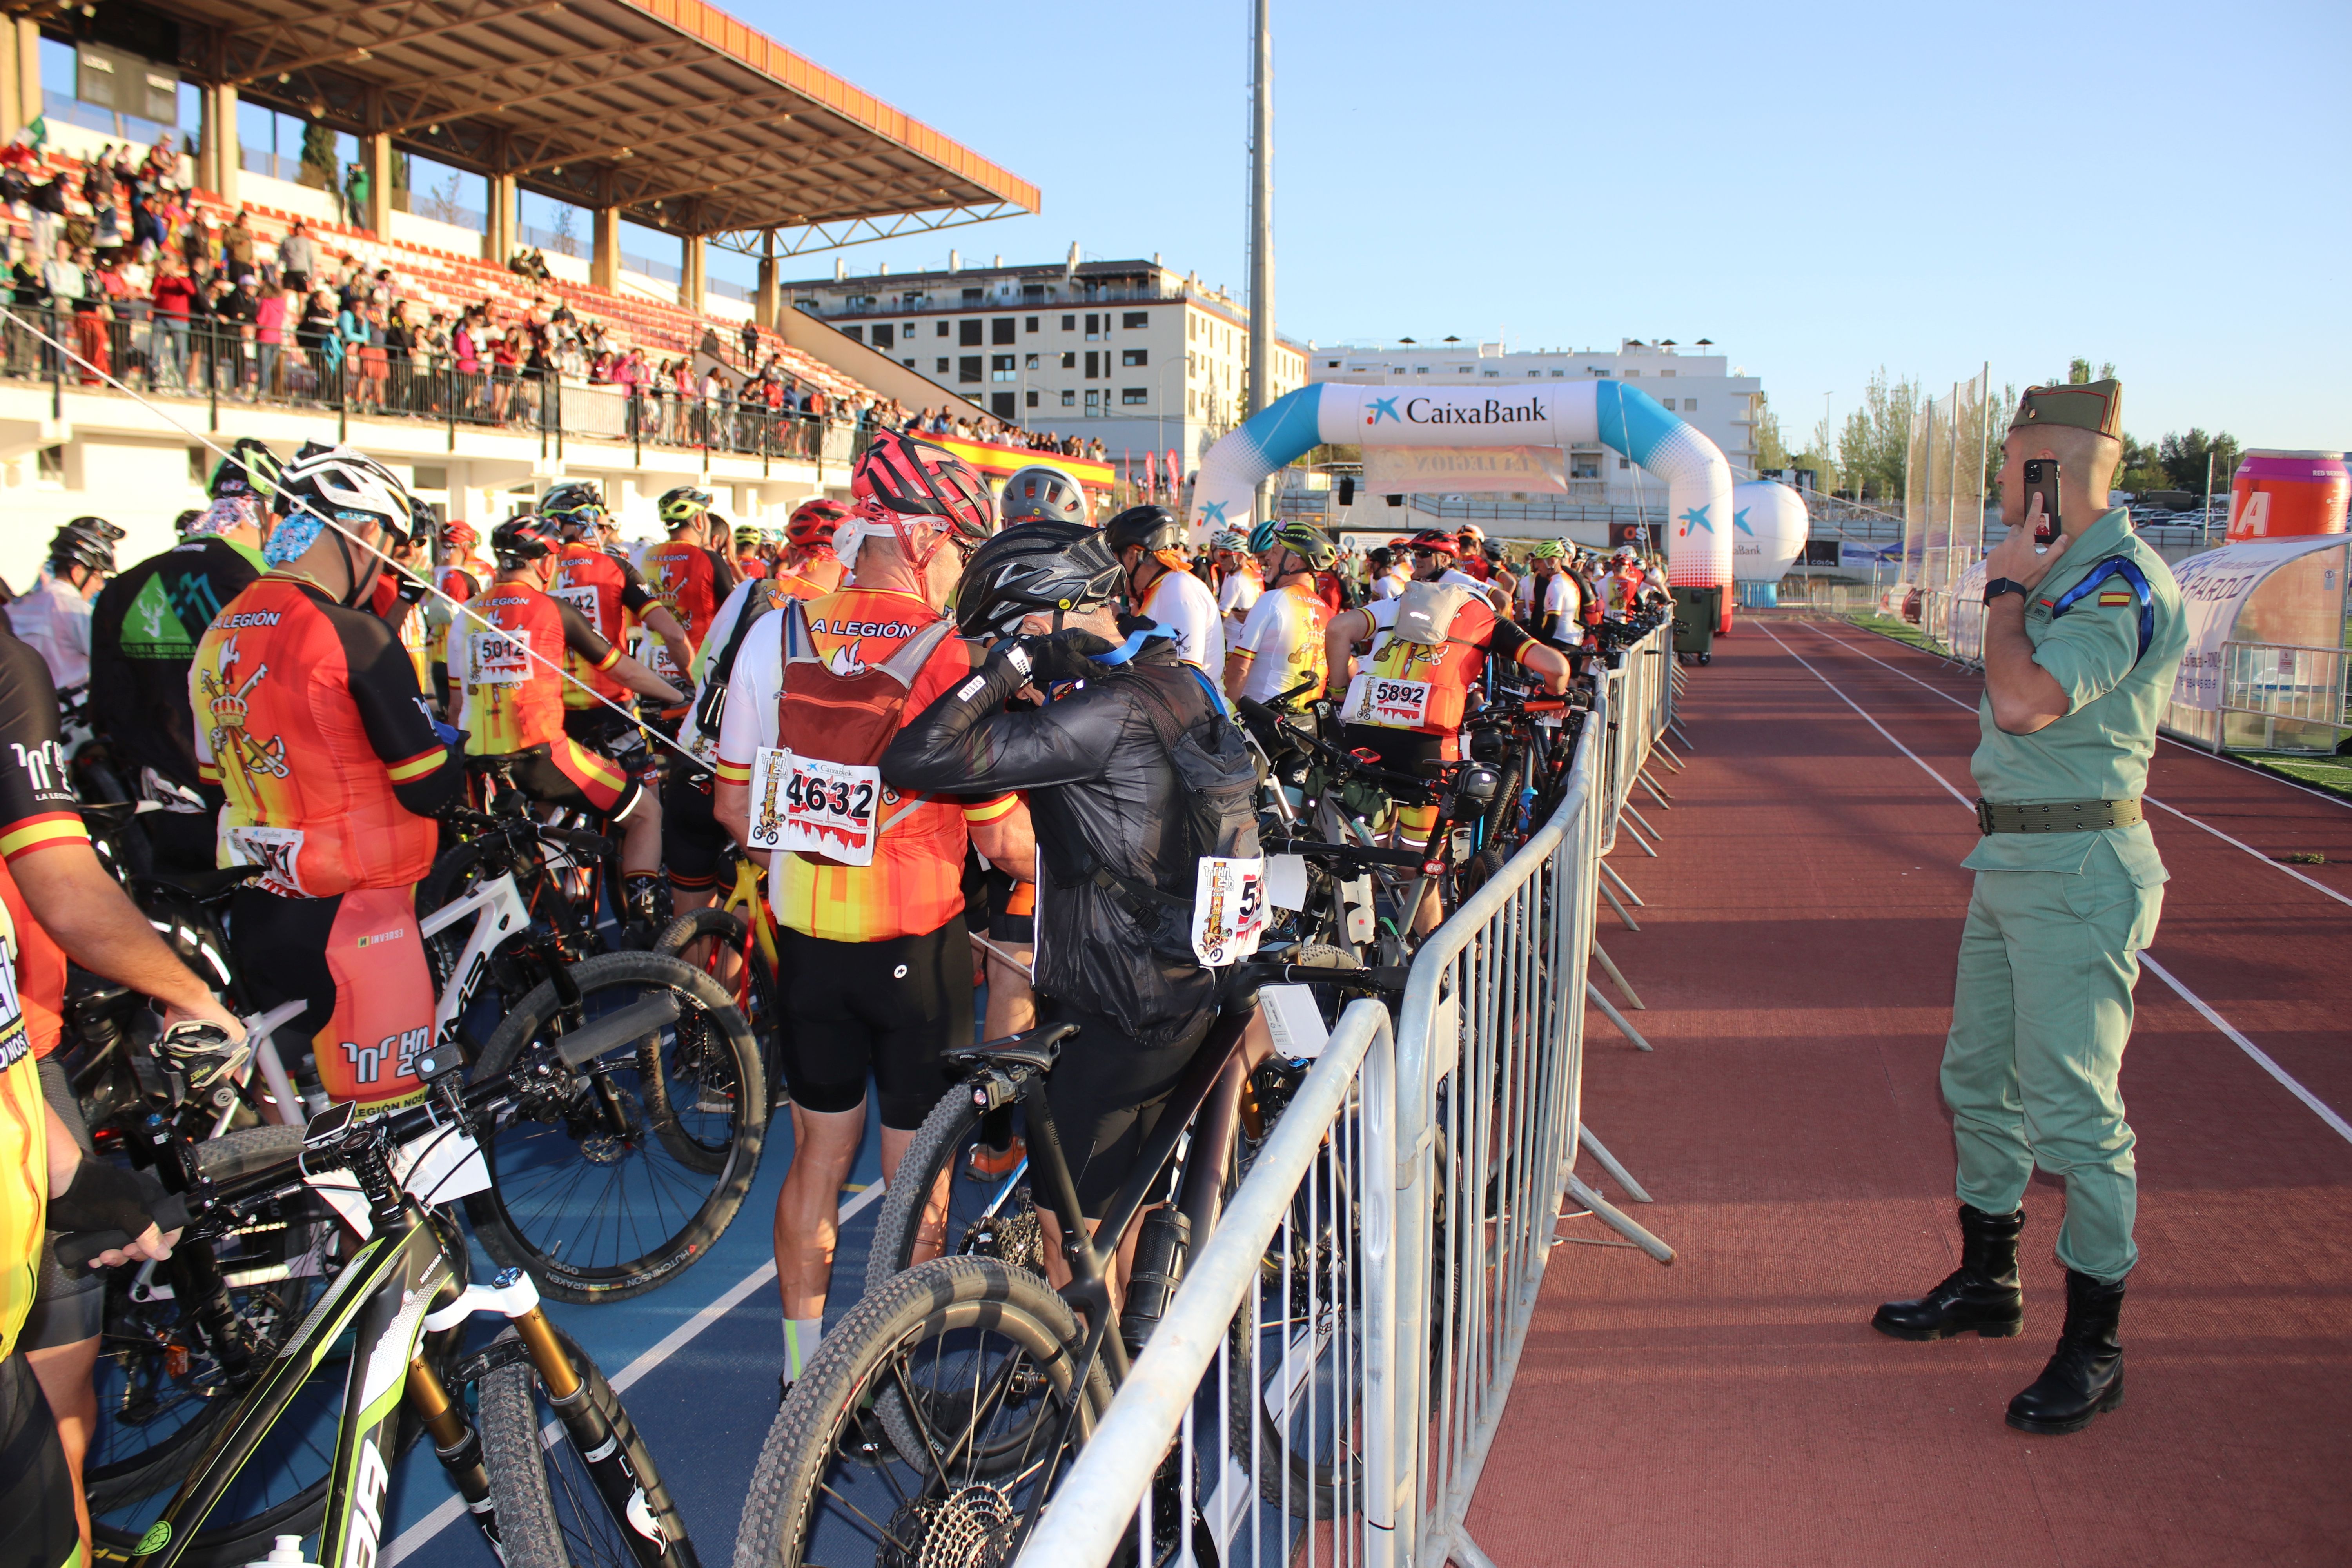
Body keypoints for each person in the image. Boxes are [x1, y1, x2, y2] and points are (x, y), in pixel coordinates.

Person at [1873, 381, 2188, 1438]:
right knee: (1977, 1079)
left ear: (2048, 472)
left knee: (2077, 1116)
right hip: (2014, 859)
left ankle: (2095, 1346)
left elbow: (2025, 700)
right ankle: (1989, 1282)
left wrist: (2008, 597)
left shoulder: (2120, 582)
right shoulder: (2058, 567)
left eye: (2012, 469)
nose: (2000, 489)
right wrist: (2014, 586)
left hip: (2081, 871)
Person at [712, 430, 1024, 1395]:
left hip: (805, 944)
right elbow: (999, 841)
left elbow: (734, 809)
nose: (965, 569)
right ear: (925, 539)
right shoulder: (946, 655)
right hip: (917, 949)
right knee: (914, 1178)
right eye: (965, 549)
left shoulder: (779, 629)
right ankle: (888, 1381)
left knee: (814, 1158)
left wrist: (816, 849)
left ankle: (804, 1375)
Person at [885, 519, 1256, 1297]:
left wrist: (1012, 666)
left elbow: (915, 756)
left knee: (1073, 1251)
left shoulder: (1100, 713)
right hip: (1183, 984)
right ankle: (1133, 1385)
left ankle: (1099, 1411)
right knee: (1124, 1212)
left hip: (1113, 1006)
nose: (998, 654)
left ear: (1043, 621)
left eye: (1007, 635)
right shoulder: (1173, 676)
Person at [191, 445, 466, 1112]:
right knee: (397, 1143)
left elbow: (212, 776)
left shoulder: (219, 631)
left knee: (309, 1126)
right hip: (361, 922)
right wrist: (453, 746)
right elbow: (429, 786)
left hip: (263, 907)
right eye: (392, 547)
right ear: (366, 531)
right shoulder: (354, 633)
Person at [1323, 530, 1571, 935]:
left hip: (1365, 737)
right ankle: (1428, 966)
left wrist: (1337, 693)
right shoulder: (1485, 617)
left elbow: (1337, 630)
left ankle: (1361, 949)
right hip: (1428, 748)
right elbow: (1557, 666)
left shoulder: (1398, 605)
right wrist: (1553, 695)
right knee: (1421, 866)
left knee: (1369, 850)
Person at [450, 515, 680, 888]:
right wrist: (678, 694)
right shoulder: (551, 608)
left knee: (536, 831)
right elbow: (624, 672)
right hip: (540, 753)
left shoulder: (468, 613)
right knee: (647, 814)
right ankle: (644, 914)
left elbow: (457, 703)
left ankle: (558, 905)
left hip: (479, 758)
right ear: (543, 562)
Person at [536, 481, 694, 926]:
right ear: (591, 522)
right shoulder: (614, 567)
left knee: (557, 823)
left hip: (554, 715)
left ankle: (563, 913)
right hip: (612, 709)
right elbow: (673, 633)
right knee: (644, 814)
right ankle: (643, 908)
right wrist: (689, 685)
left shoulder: (539, 572)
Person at [1223, 521, 1338, 710]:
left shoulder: (1272, 600)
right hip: (1307, 724)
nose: (1268, 557)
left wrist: (1223, 716)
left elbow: (1240, 669)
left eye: (1275, 552)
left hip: (1263, 722)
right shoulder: (1328, 611)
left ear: (1294, 562)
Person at [639, 487, 739, 699]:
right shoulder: (709, 559)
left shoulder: (642, 556)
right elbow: (737, 613)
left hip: (650, 670)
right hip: (697, 669)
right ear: (700, 521)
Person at [6, 520, 122, 694]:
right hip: (71, 713)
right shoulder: (75, 610)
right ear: (77, 572)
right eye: (98, 577)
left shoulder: (19, 605)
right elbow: (113, 661)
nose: (99, 586)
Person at [1105, 505, 1223, 673]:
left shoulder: (1178, 590)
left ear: (1132, 555)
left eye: (1116, 561)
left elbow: (1181, 675)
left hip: (1193, 698)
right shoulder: (1162, 587)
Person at [1211, 527, 1262, 635]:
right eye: (1220, 553)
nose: (1220, 559)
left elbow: (1219, 618)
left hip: (1233, 643)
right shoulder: (1253, 572)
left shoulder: (1235, 580)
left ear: (1240, 557)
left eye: (1224, 555)